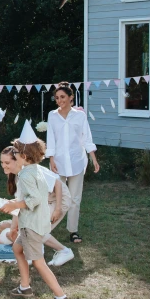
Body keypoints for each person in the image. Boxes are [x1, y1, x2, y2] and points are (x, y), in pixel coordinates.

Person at [1, 120, 70, 299]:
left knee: (39, 263)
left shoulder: (25, 176)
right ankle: (25, 286)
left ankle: (60, 296)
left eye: (14, 153)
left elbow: (35, 199)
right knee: (17, 248)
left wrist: (14, 204)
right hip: (33, 223)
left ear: (23, 155)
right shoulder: (34, 170)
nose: (13, 155)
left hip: (32, 225)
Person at [0, 145, 74, 266]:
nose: (3, 165)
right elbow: (21, 204)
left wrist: (58, 209)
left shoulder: (32, 170)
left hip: (59, 199)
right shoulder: (17, 175)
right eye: (1, 162)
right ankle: (35, 251)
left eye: (7, 162)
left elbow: (58, 184)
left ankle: (64, 251)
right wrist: (13, 227)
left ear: (17, 160)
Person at [46, 82, 100, 243]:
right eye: (57, 98)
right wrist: (51, 159)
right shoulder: (52, 115)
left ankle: (73, 231)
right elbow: (50, 139)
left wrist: (93, 159)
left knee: (75, 199)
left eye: (62, 97)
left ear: (71, 98)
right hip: (58, 163)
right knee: (55, 197)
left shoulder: (80, 116)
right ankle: (48, 227)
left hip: (77, 162)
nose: (59, 100)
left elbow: (86, 138)